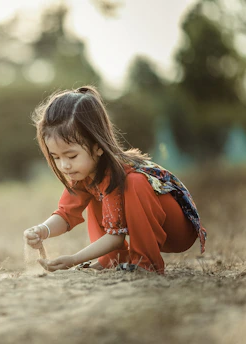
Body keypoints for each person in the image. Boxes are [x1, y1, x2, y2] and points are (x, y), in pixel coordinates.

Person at [23, 86, 207, 274]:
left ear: (98, 147)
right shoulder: (82, 174)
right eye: (56, 157)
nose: (64, 166)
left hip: (176, 230)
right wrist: (42, 230)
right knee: (96, 195)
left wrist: (74, 259)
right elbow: (65, 215)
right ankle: (113, 260)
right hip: (146, 228)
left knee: (134, 182)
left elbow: (115, 238)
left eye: (71, 156)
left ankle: (146, 264)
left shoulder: (119, 174)